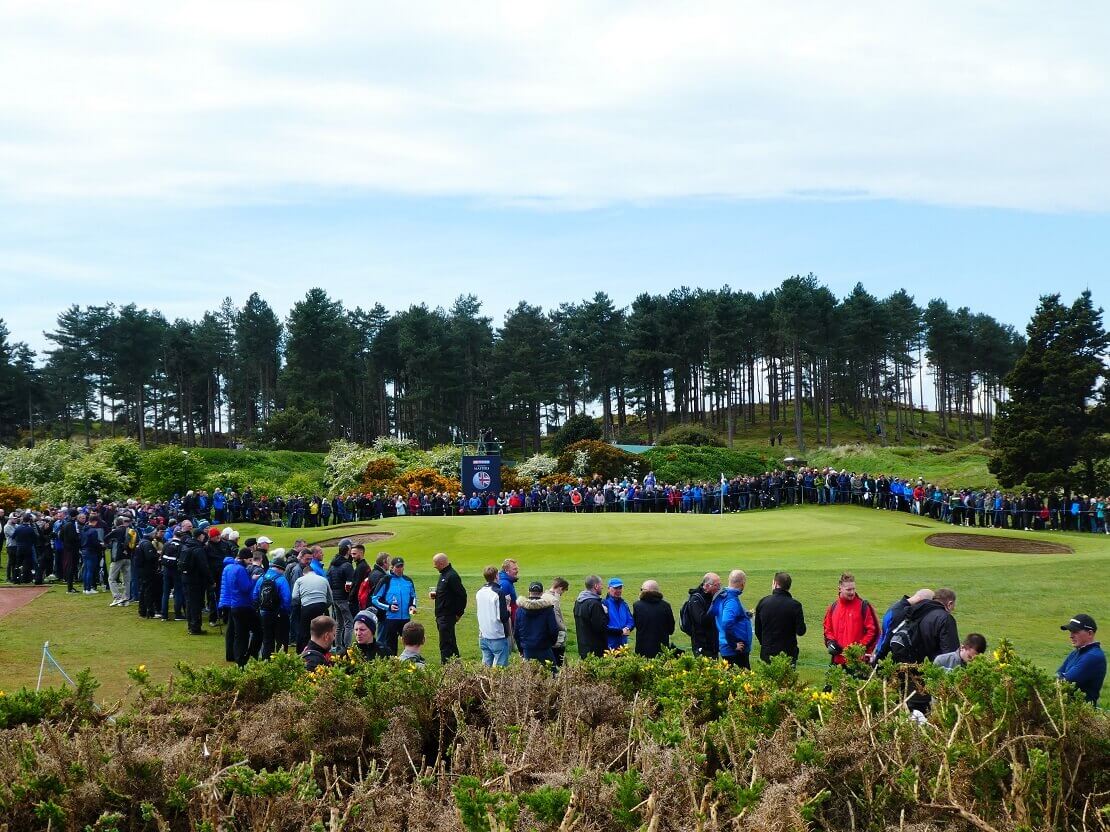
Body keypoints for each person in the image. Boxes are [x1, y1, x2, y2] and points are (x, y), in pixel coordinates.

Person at [822, 572, 879, 665]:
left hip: (857, 662)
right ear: (840, 588)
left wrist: (858, 648)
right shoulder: (833, 607)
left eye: (853, 589)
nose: (852, 592)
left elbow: (873, 631)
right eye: (848, 590)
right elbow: (827, 630)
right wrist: (831, 642)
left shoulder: (863, 606)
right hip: (837, 662)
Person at [754, 571, 807, 665]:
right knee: (787, 679)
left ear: (775, 583)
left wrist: (765, 644)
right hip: (788, 653)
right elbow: (801, 631)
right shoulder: (795, 605)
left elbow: (758, 630)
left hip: (768, 651)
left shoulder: (763, 602)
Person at [1057, 614, 1106, 706]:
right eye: (1070, 631)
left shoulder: (1093, 656)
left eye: (1075, 631)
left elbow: (1067, 681)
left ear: (1090, 633)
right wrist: (1061, 676)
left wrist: (1062, 677)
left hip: (1081, 714)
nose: (1071, 636)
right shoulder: (1075, 653)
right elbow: (1057, 675)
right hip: (1069, 710)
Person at [372, 556, 417, 656]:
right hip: (390, 619)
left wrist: (413, 606)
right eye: (397, 567)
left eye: (401, 566)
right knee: (391, 646)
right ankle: (392, 666)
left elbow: (413, 596)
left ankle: (409, 663)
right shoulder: (386, 580)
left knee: (409, 643)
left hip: (405, 618)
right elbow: (375, 599)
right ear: (392, 567)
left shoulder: (408, 580)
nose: (400, 569)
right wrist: (388, 607)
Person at [874, 588, 934, 661]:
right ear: (920, 600)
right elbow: (888, 638)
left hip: (880, 648)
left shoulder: (897, 605)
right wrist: (877, 659)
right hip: (886, 657)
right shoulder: (901, 613)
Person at [218, 547, 255, 666]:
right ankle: (239, 657)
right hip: (238, 602)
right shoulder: (240, 570)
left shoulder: (229, 567)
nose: (250, 562)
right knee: (240, 632)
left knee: (232, 630)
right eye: (249, 560)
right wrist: (253, 580)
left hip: (230, 600)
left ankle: (232, 654)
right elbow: (245, 588)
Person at [710, 570, 753, 668]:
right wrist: (734, 644)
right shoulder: (731, 600)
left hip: (728, 647)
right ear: (743, 583)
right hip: (734, 650)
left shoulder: (723, 595)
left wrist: (745, 615)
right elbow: (727, 623)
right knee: (744, 680)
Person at [253, 554, 292, 659]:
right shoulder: (281, 579)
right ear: (280, 569)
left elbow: (255, 595)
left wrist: (259, 608)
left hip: (264, 613)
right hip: (279, 614)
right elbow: (287, 598)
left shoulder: (261, 578)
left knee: (267, 639)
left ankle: (266, 662)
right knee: (282, 640)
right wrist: (284, 612)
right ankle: (281, 662)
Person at [291, 559, 334, 654]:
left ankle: (301, 653)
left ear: (304, 573)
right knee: (323, 629)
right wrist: (324, 606)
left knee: (304, 631)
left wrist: (302, 604)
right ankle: (325, 651)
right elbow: (330, 598)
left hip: (307, 607)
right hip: (321, 606)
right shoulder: (323, 579)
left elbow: (294, 597)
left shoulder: (300, 580)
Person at [431, 552, 467, 663]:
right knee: (449, 643)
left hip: (447, 617)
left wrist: (458, 614)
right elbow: (447, 593)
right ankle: (455, 667)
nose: (434, 566)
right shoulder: (443, 575)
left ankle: (447, 668)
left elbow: (462, 595)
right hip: (441, 616)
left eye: (435, 564)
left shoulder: (452, 576)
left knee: (446, 644)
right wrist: (437, 595)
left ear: (441, 563)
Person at [514, 581, 559, 666]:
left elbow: (516, 632)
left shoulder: (520, 610)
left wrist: (521, 649)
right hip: (544, 648)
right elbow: (553, 630)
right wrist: (550, 644)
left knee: (530, 674)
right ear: (541, 593)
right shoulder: (548, 609)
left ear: (529, 592)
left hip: (528, 648)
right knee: (551, 674)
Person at [910, 588, 960, 661]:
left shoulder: (919, 612)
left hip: (915, 663)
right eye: (953, 606)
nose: (953, 609)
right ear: (950, 604)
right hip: (935, 667)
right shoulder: (945, 618)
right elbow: (950, 652)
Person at [476, 565, 512, 667]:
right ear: (496, 576)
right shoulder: (498, 593)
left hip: (483, 634)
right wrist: (508, 610)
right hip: (497, 636)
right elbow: (502, 617)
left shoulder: (479, 592)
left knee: (486, 668)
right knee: (500, 670)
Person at [179, 525, 211, 635]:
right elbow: (204, 567)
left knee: (189, 603)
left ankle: (191, 625)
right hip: (196, 580)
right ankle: (195, 627)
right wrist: (210, 580)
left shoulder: (185, 546)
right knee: (196, 604)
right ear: (199, 536)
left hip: (186, 578)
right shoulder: (198, 549)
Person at [632, 580, 675, 658]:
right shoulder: (666, 606)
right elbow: (671, 629)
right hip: (662, 649)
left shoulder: (637, 606)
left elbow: (636, 624)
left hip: (642, 649)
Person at [326, 540, 355, 654]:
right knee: (349, 623)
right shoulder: (347, 565)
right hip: (343, 598)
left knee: (339, 623)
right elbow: (350, 584)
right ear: (348, 549)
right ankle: (347, 648)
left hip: (335, 597)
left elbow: (329, 579)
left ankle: (338, 647)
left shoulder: (333, 564)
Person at [683, 573, 721, 658]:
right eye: (716, 585)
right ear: (707, 586)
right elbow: (702, 621)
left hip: (713, 644)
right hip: (702, 645)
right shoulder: (696, 600)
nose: (719, 588)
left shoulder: (712, 596)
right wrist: (715, 605)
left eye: (719, 584)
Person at [573, 575, 608, 659]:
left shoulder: (578, 601)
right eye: (601, 585)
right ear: (596, 586)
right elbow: (600, 627)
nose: (602, 587)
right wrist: (605, 613)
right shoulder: (595, 604)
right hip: (596, 649)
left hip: (583, 646)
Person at [542, 577, 570, 667]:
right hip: (555, 634)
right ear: (560, 588)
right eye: (563, 591)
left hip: (545, 632)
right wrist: (564, 628)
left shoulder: (543, 595)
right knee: (558, 660)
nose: (562, 594)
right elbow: (556, 618)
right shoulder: (554, 599)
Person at [604, 578, 634, 650]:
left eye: (620, 588)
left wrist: (627, 628)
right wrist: (620, 632)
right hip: (609, 645)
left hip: (623, 644)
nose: (618, 590)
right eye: (615, 588)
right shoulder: (604, 604)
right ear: (608, 589)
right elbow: (603, 626)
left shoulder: (624, 604)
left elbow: (631, 620)